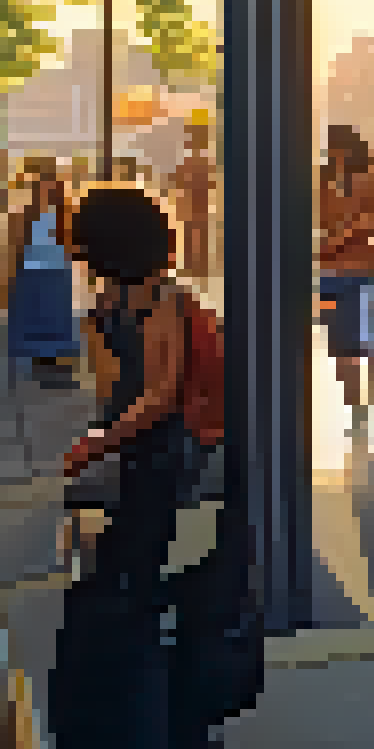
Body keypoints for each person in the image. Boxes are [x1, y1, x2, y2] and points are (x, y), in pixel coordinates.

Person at [52, 187, 210, 748]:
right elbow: (112, 386)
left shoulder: (160, 300)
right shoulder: (113, 300)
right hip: (131, 453)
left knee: (133, 586)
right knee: (120, 580)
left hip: (158, 455)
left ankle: (139, 717)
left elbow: (161, 394)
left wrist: (99, 442)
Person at [319, 126, 374, 422]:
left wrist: (343, 235)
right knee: (340, 344)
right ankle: (355, 406)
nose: (333, 153)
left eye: (336, 147)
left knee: (369, 343)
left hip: (361, 270)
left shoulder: (367, 179)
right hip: (330, 271)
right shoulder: (322, 180)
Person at [6, 163, 80, 387]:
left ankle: (52, 363)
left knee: (56, 320)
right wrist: (12, 275)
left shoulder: (64, 215)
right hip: (34, 273)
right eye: (45, 188)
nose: (49, 192)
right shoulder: (27, 214)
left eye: (53, 188)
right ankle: (44, 366)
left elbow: (71, 243)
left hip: (58, 273)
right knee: (39, 320)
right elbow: (17, 244)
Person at [169, 122, 215, 280]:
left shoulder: (198, 161)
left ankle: (197, 269)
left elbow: (181, 184)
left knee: (196, 239)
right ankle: (195, 269)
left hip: (195, 208)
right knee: (193, 239)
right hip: (192, 208)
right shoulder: (195, 161)